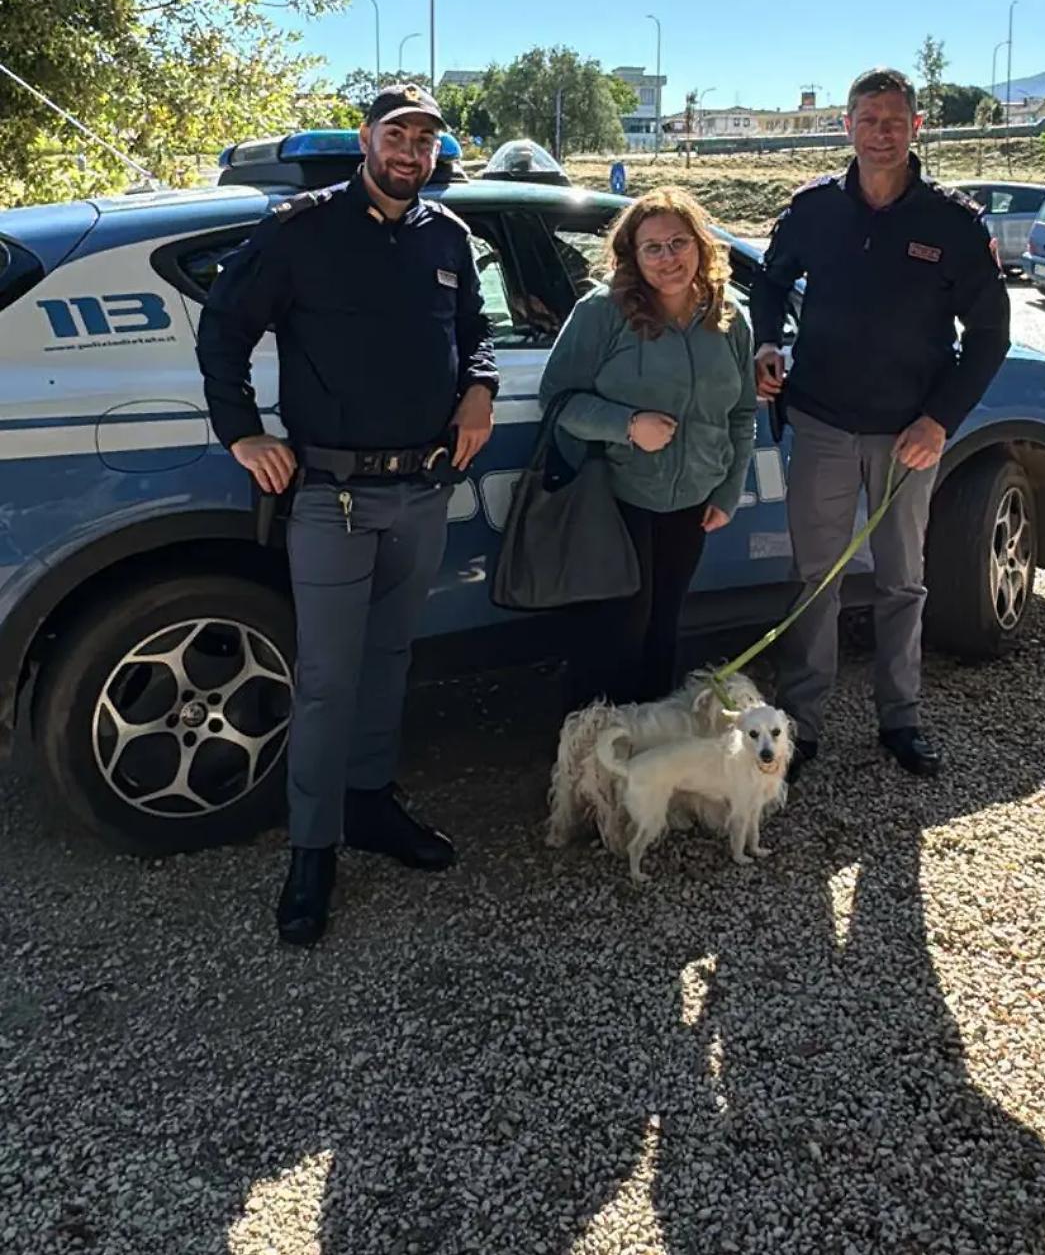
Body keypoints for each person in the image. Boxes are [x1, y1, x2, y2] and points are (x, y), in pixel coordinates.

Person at [197, 85, 497, 946]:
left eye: (427, 138)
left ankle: (368, 805)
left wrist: (479, 389)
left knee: (391, 657)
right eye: (397, 134)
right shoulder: (303, 229)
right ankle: (311, 851)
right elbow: (223, 329)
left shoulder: (447, 237)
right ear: (367, 139)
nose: (412, 150)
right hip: (330, 494)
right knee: (328, 677)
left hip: (422, 489)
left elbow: (474, 327)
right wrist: (243, 434)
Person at [750, 67, 1010, 780]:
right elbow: (769, 282)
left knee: (902, 582)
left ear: (917, 127)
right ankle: (800, 725)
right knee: (816, 579)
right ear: (848, 125)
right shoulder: (811, 210)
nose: (882, 132)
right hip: (824, 422)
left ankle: (901, 718)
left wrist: (940, 421)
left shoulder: (952, 223)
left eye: (896, 120)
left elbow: (989, 335)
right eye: (869, 118)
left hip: (908, 436)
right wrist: (765, 342)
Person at [539, 188, 757, 710]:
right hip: (617, 497)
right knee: (614, 636)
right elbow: (558, 399)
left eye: (679, 242)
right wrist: (627, 425)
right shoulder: (602, 312)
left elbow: (742, 413)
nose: (668, 258)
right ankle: (591, 760)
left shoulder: (728, 317)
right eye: (652, 248)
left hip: (692, 502)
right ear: (632, 256)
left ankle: (649, 755)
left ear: (702, 246)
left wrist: (727, 492)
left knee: (663, 630)